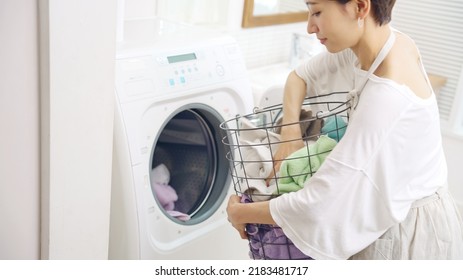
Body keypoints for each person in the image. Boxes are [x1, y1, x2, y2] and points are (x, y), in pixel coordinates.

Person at [226, 0, 463, 259]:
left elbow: (318, 202)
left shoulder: (388, 95)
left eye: (316, 12)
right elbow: (299, 77)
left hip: (408, 231)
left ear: (360, 7)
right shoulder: (379, 46)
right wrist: (289, 135)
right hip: (396, 212)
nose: (309, 27)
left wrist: (240, 212)